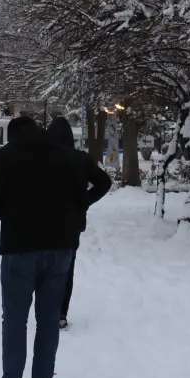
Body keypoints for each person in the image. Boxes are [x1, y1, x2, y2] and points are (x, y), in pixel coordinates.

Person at [0, 116, 86, 378]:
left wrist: (12, 212)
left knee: (15, 319)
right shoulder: (64, 155)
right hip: (60, 247)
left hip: (19, 247)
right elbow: (81, 197)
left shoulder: (7, 155)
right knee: (49, 320)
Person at [46, 117, 113, 330]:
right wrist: (86, 200)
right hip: (72, 221)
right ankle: (61, 313)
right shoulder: (81, 159)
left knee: (44, 267)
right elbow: (104, 182)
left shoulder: (42, 158)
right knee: (66, 268)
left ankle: (45, 309)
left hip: (43, 221)